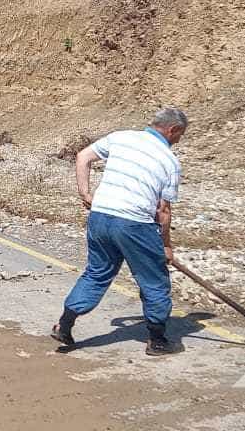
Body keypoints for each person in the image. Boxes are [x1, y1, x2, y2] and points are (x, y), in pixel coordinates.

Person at [51, 107, 188, 356]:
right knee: (154, 280)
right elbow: (163, 210)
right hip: (135, 224)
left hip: (101, 216)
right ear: (173, 129)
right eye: (180, 135)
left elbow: (83, 157)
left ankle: (65, 324)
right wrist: (166, 245)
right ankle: (157, 340)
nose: (179, 140)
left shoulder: (121, 137)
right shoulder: (170, 161)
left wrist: (85, 193)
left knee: (96, 273)